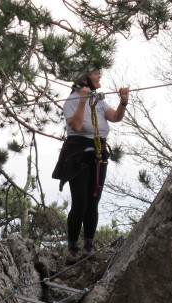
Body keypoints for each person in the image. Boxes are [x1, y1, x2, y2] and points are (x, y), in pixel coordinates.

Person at [52, 70, 129, 264]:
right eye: (96, 74)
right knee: (80, 202)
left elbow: (115, 117)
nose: (100, 76)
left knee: (93, 201)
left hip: (97, 154)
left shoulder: (98, 101)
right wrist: (82, 100)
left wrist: (124, 101)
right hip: (78, 154)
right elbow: (76, 126)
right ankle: (72, 249)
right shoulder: (72, 101)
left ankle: (88, 246)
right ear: (85, 79)